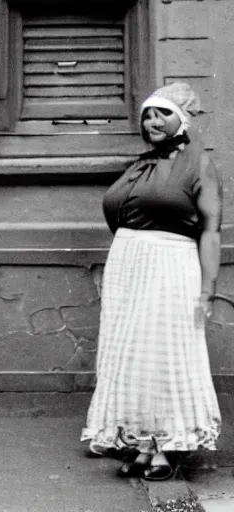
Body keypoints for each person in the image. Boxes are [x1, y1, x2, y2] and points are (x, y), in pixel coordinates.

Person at [80, 83, 222, 481]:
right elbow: (118, 214)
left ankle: (165, 446)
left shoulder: (199, 163)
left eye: (162, 113)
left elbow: (211, 230)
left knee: (163, 352)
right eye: (147, 114)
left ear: (183, 118)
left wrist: (207, 288)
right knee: (131, 354)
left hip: (171, 264)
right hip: (129, 266)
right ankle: (143, 442)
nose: (153, 121)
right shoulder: (140, 165)